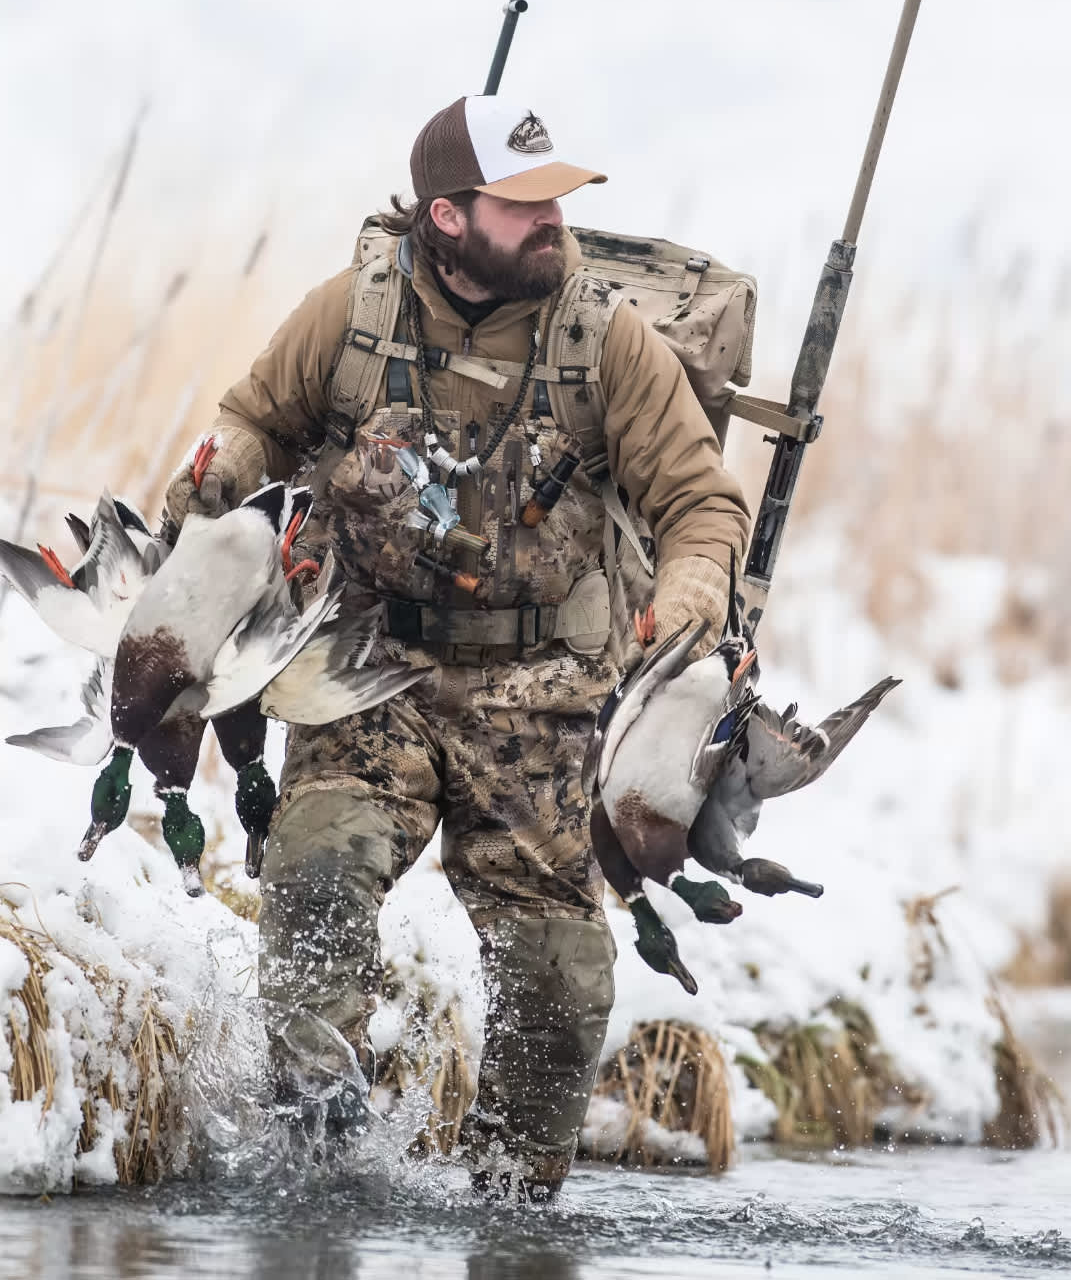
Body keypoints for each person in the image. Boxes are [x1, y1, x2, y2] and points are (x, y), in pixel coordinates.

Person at [164, 94, 751, 1198]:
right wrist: (220, 472)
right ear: (446, 218)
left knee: (560, 978)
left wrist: (691, 589)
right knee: (317, 875)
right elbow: (255, 421)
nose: (554, 221)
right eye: (525, 205)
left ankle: (512, 1208)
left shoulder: (606, 337)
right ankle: (316, 1162)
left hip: (544, 693)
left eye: (557, 198)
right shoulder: (350, 313)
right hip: (366, 671)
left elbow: (701, 500)